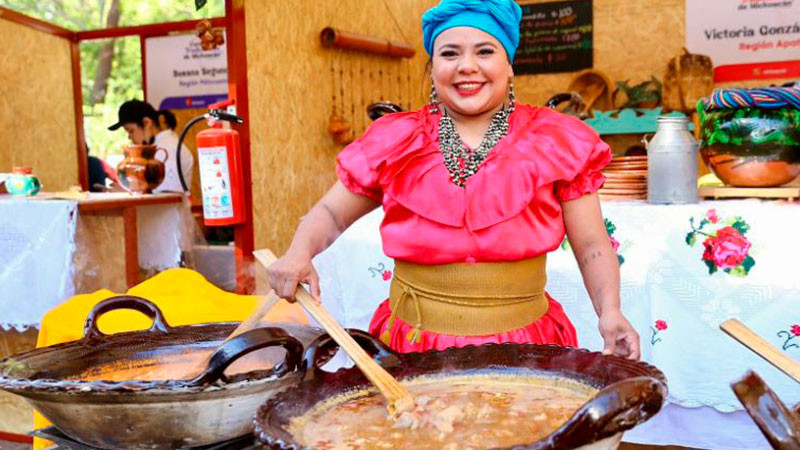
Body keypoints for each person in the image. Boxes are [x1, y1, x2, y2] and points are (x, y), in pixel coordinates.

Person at [267, 0, 640, 359]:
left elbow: (591, 242)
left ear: (509, 64)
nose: (467, 66)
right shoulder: (396, 140)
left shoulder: (555, 140)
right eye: (449, 54)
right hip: (412, 344)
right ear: (433, 68)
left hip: (525, 343)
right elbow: (332, 213)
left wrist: (609, 311)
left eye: (484, 51)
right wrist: (299, 251)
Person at [108, 100, 194, 193]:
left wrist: (130, 192)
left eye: (131, 130)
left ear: (146, 123)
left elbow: (166, 195)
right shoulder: (163, 145)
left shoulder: (167, 149)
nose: (130, 137)